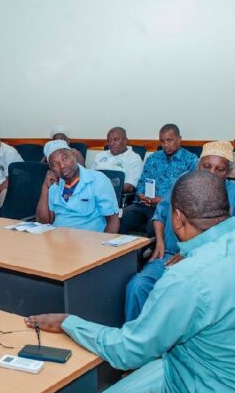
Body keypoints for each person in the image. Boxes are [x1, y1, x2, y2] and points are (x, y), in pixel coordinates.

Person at [26, 170, 235, 393]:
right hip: (200, 368)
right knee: (116, 392)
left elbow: (128, 351)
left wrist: (69, 323)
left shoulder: (188, 278)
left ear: (177, 218)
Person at [125, 140, 235, 321]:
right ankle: (133, 332)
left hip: (207, 261)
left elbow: (229, 238)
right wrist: (159, 241)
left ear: (228, 172)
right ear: (198, 165)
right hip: (168, 254)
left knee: (179, 299)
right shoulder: (183, 181)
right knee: (137, 286)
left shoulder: (232, 193)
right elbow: (161, 213)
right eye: (207, 166)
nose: (211, 173)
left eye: (219, 169)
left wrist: (191, 254)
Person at [120, 124, 197, 236]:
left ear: (179, 139)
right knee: (127, 215)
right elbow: (142, 182)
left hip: (169, 207)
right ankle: (125, 246)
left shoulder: (190, 160)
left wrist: (162, 200)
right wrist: (141, 195)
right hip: (145, 204)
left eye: (169, 140)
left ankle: (154, 246)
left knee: (153, 225)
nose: (165, 144)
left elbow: (189, 192)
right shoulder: (153, 158)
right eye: (162, 141)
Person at [36, 139, 120, 232]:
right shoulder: (54, 184)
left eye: (64, 158)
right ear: (51, 168)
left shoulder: (98, 180)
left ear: (74, 155)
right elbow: (43, 222)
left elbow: (113, 221)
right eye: (54, 164)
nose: (62, 166)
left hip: (88, 238)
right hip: (57, 237)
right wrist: (45, 187)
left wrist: (106, 242)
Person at [92, 127, 143, 193]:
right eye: (109, 141)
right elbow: (89, 177)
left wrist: (102, 187)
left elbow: (129, 187)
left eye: (115, 140)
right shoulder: (100, 155)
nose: (111, 143)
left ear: (125, 141)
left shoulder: (134, 158)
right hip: (93, 193)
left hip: (115, 196)